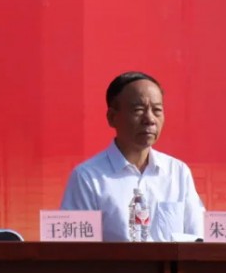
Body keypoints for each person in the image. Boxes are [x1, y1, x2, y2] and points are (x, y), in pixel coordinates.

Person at [60, 71, 204, 242]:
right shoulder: (88, 177)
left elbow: (198, 239)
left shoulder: (177, 172)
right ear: (112, 117)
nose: (149, 119)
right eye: (138, 110)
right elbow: (74, 248)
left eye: (157, 110)